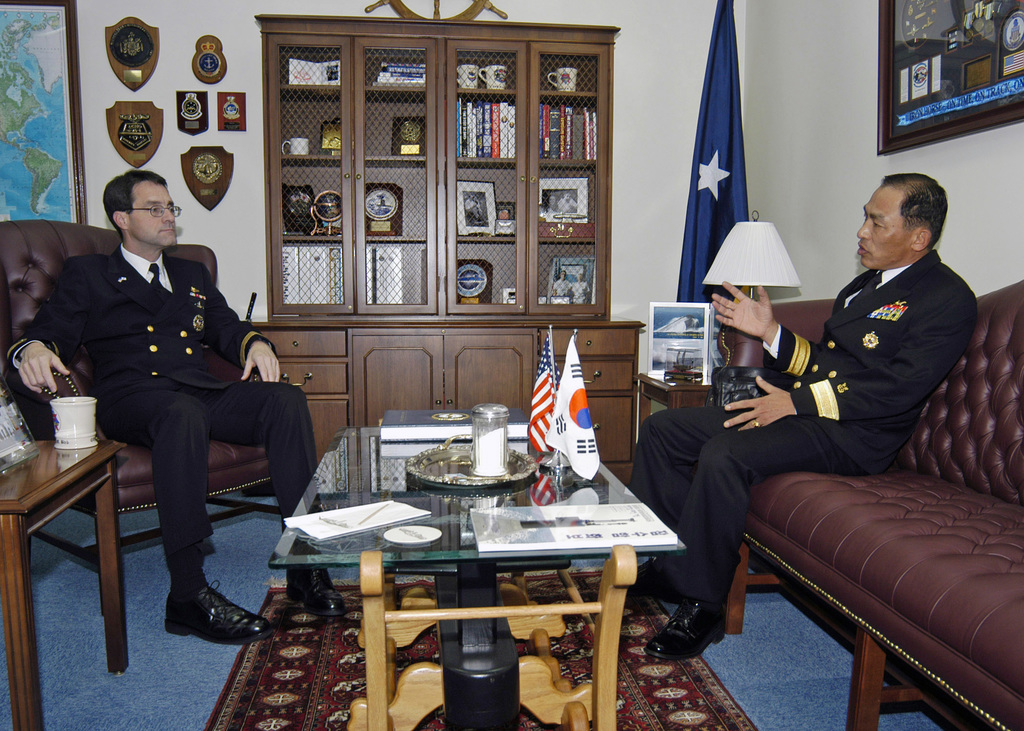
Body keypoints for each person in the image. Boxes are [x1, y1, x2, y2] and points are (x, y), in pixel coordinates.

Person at [628, 173, 977, 660]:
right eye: (865, 217)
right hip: (809, 413)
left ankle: (702, 604)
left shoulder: (946, 298)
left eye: (876, 222)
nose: (862, 231)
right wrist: (770, 333)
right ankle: (668, 564)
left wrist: (795, 402)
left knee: (724, 453)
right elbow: (827, 363)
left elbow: (896, 389)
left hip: (856, 436)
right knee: (663, 430)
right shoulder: (865, 286)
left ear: (919, 237)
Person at [9, 170, 347, 645]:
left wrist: (254, 344)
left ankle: (304, 564)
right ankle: (187, 594)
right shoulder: (90, 275)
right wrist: (34, 350)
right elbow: (50, 331)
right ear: (122, 219)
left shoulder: (190, 273)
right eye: (156, 209)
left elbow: (225, 327)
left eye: (171, 208)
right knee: (181, 414)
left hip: (197, 388)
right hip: (133, 398)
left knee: (285, 400)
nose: (169, 216)